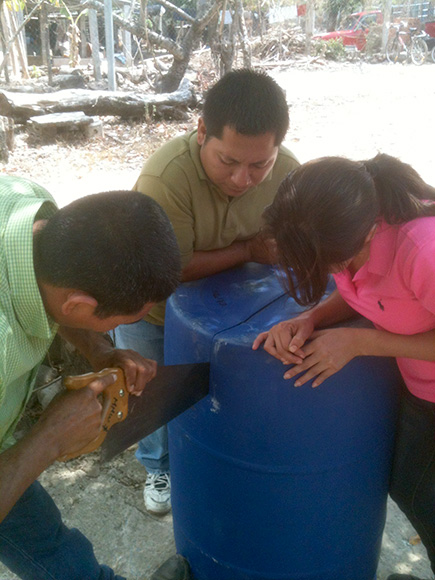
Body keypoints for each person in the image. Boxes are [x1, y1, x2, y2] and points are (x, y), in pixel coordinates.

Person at [114, 68, 299, 515]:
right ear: (201, 132)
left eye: (260, 164)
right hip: (153, 309)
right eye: (228, 161)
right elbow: (168, 270)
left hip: (234, 309)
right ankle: (159, 467)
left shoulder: (290, 171)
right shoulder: (166, 178)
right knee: (153, 394)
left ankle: (212, 460)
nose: (242, 179)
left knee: (219, 401)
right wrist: (250, 249)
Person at [252, 154, 435, 580]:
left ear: (370, 230)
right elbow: (365, 292)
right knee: (407, 488)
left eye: (329, 265)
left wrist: (362, 341)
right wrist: (309, 319)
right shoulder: (340, 226)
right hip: (417, 388)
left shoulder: (423, 252)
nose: (329, 273)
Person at [0, 175, 191, 580]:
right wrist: (49, 438)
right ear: (78, 304)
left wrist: (99, 348)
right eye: (128, 321)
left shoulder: (32, 212)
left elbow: (51, 295)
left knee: (48, 545)